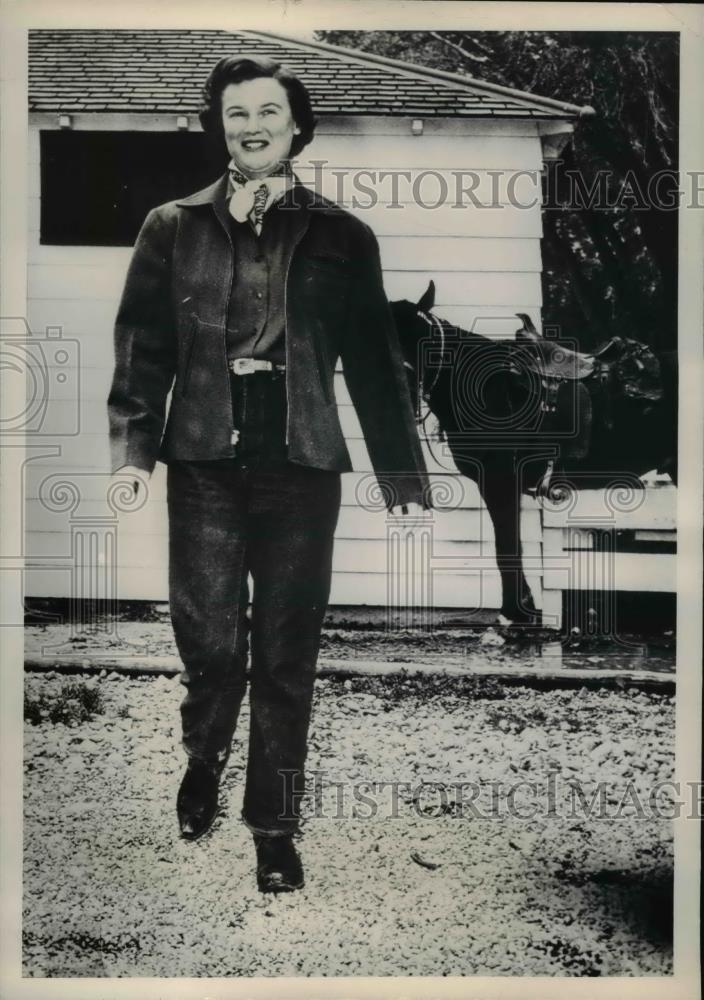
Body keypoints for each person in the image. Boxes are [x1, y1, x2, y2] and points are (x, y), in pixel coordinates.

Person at [107, 54, 431, 893]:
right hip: (206, 455)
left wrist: (401, 475)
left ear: (296, 125)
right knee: (211, 642)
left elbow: (374, 359)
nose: (251, 126)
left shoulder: (342, 236)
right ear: (221, 126)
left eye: (267, 112)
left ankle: (273, 828)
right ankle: (204, 752)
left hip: (301, 459)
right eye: (236, 113)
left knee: (288, 654)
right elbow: (142, 345)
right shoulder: (170, 226)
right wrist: (134, 452)